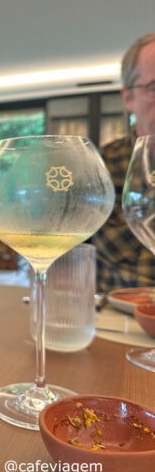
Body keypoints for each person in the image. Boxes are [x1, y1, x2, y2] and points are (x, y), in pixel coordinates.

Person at [93, 33, 155, 291]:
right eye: (154, 87)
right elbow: (67, 260)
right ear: (128, 98)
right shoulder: (97, 167)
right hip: (116, 313)